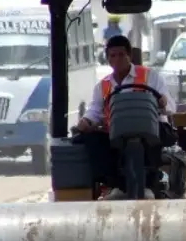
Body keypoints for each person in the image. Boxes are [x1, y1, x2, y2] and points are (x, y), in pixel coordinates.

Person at [73, 35, 178, 198]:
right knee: (91, 139)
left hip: (151, 127)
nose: (117, 59)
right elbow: (95, 109)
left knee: (156, 138)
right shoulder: (103, 86)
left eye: (121, 55)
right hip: (115, 131)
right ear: (107, 59)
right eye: (112, 55)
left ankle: (149, 184)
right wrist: (86, 121)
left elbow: (170, 106)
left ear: (129, 56)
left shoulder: (151, 76)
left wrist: (163, 103)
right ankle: (115, 185)